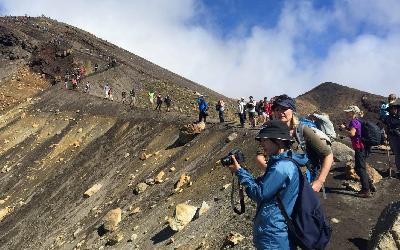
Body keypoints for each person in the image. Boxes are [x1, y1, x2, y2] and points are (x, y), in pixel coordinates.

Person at [227, 120, 308, 249]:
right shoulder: (282, 164)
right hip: (276, 233)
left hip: (274, 235)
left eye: (265, 140)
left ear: (279, 141)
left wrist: (240, 172)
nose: (261, 143)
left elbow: (259, 194)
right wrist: (242, 171)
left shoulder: (281, 167)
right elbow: (263, 187)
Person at [265, 94, 334, 193]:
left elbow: (328, 154)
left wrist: (320, 181)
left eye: (284, 108)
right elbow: (261, 156)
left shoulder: (302, 130)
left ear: (292, 110)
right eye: (276, 109)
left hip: (301, 183)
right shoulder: (270, 132)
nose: (280, 112)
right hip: (279, 183)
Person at [340, 105, 374, 198]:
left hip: (359, 147)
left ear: (353, 113)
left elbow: (352, 134)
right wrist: (347, 128)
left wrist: (344, 129)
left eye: (348, 111)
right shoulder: (358, 121)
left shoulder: (353, 121)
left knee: (360, 168)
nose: (347, 113)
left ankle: (366, 190)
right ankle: (369, 185)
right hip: (362, 147)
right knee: (360, 167)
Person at [384, 99, 400, 178]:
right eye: (393, 108)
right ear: (390, 110)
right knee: (398, 154)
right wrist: (385, 135)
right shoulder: (388, 118)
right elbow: (385, 127)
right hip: (393, 138)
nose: (395, 110)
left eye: (396, 108)